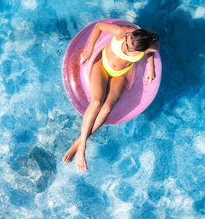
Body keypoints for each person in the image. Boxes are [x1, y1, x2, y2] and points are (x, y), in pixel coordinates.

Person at [63, 22, 159, 171]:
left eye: (129, 48)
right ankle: (82, 147)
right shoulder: (123, 32)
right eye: (127, 40)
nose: (126, 44)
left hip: (121, 74)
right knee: (96, 103)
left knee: (106, 109)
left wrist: (151, 65)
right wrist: (89, 51)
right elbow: (99, 27)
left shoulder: (149, 45)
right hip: (102, 64)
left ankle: (77, 143)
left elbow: (152, 49)